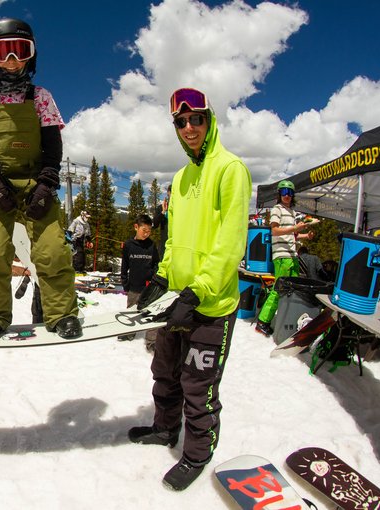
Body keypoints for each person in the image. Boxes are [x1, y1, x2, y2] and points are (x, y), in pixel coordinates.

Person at [129, 87, 252, 491]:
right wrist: (162, 279)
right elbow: (176, 241)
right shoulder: (180, 179)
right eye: (180, 122)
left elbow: (230, 243)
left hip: (210, 306)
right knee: (164, 373)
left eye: (195, 119)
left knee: (198, 387)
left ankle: (197, 454)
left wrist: (197, 292)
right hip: (176, 302)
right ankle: (165, 429)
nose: (188, 128)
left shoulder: (230, 169)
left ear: (209, 120)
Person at [0, 18, 81, 342]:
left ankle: (62, 314)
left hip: (35, 184)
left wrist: (46, 183)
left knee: (53, 250)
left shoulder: (41, 97)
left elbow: (53, 145)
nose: (11, 61)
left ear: (31, 55)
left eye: (19, 51)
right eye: (2, 51)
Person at [255, 180, 317, 335]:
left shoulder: (292, 212)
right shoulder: (277, 209)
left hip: (292, 255)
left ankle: (289, 319)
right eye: (284, 192)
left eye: (289, 193)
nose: (287, 195)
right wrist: (295, 228)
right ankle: (262, 322)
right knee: (279, 288)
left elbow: (292, 235)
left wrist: (305, 235)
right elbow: (274, 231)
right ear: (279, 194)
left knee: (293, 290)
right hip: (282, 255)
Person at [119, 214, 160, 350]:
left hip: (149, 287)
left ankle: (152, 342)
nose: (147, 234)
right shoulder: (129, 245)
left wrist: (154, 279)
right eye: (144, 230)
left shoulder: (151, 245)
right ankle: (129, 333)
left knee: (151, 313)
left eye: (149, 231)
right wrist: (125, 282)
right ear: (136, 227)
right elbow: (124, 266)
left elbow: (156, 264)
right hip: (134, 286)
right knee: (131, 311)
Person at [153, 185, 171, 259]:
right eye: (172, 193)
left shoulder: (182, 208)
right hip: (164, 244)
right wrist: (163, 212)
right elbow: (154, 224)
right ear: (168, 193)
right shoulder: (161, 207)